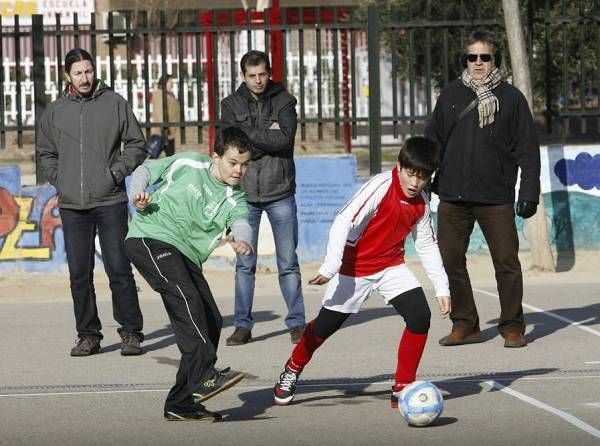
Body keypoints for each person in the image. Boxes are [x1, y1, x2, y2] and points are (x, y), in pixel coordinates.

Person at [272, 136, 451, 407]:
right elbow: (343, 221)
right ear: (400, 166)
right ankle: (292, 368)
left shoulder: (422, 202)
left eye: (423, 177)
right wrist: (331, 266)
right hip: (354, 269)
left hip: (391, 266)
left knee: (419, 316)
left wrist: (442, 286)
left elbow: (426, 244)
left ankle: (402, 387)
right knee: (323, 327)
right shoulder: (380, 186)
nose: (415, 183)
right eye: (410, 174)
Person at [124, 127, 252, 422]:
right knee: (187, 297)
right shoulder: (190, 163)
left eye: (245, 164)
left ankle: (180, 403)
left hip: (186, 256)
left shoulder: (235, 198)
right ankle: (205, 373)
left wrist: (243, 239)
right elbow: (145, 169)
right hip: (150, 237)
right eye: (233, 162)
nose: (239, 170)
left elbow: (242, 221)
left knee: (211, 319)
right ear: (216, 156)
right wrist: (136, 194)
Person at [425, 30, 541, 349]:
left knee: (506, 263)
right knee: (450, 259)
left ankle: (512, 326)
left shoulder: (512, 99)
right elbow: (432, 140)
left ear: (495, 60)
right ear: (465, 60)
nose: (477, 63)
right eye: (471, 57)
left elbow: (528, 150)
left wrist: (528, 191)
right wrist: (421, 178)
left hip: (495, 196)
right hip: (452, 195)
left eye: (484, 57)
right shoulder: (450, 95)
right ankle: (465, 324)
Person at [36, 48, 146, 357]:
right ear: (67, 76)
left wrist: (114, 173)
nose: (85, 78)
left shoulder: (115, 104)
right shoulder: (55, 111)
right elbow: (45, 152)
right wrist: (62, 179)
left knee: (119, 269)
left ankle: (131, 332)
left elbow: (137, 144)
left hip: (109, 200)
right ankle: (88, 335)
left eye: (88, 71)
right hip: (73, 206)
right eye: (78, 73)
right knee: (79, 274)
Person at [220, 50, 305, 346]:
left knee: (288, 262)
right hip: (245, 195)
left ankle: (297, 323)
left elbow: (285, 139)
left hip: (280, 191)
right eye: (252, 75)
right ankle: (242, 325)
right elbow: (231, 147)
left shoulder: (284, 101)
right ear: (243, 76)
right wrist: (265, 134)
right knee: (244, 264)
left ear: (270, 73)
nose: (258, 80)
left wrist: (248, 135)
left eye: (262, 74)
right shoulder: (230, 105)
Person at [149, 74, 180, 159]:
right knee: (153, 158)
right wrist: (163, 126)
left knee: (169, 159)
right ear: (164, 83)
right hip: (162, 132)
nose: (172, 84)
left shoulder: (167, 94)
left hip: (169, 132)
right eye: (170, 82)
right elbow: (160, 111)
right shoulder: (160, 94)